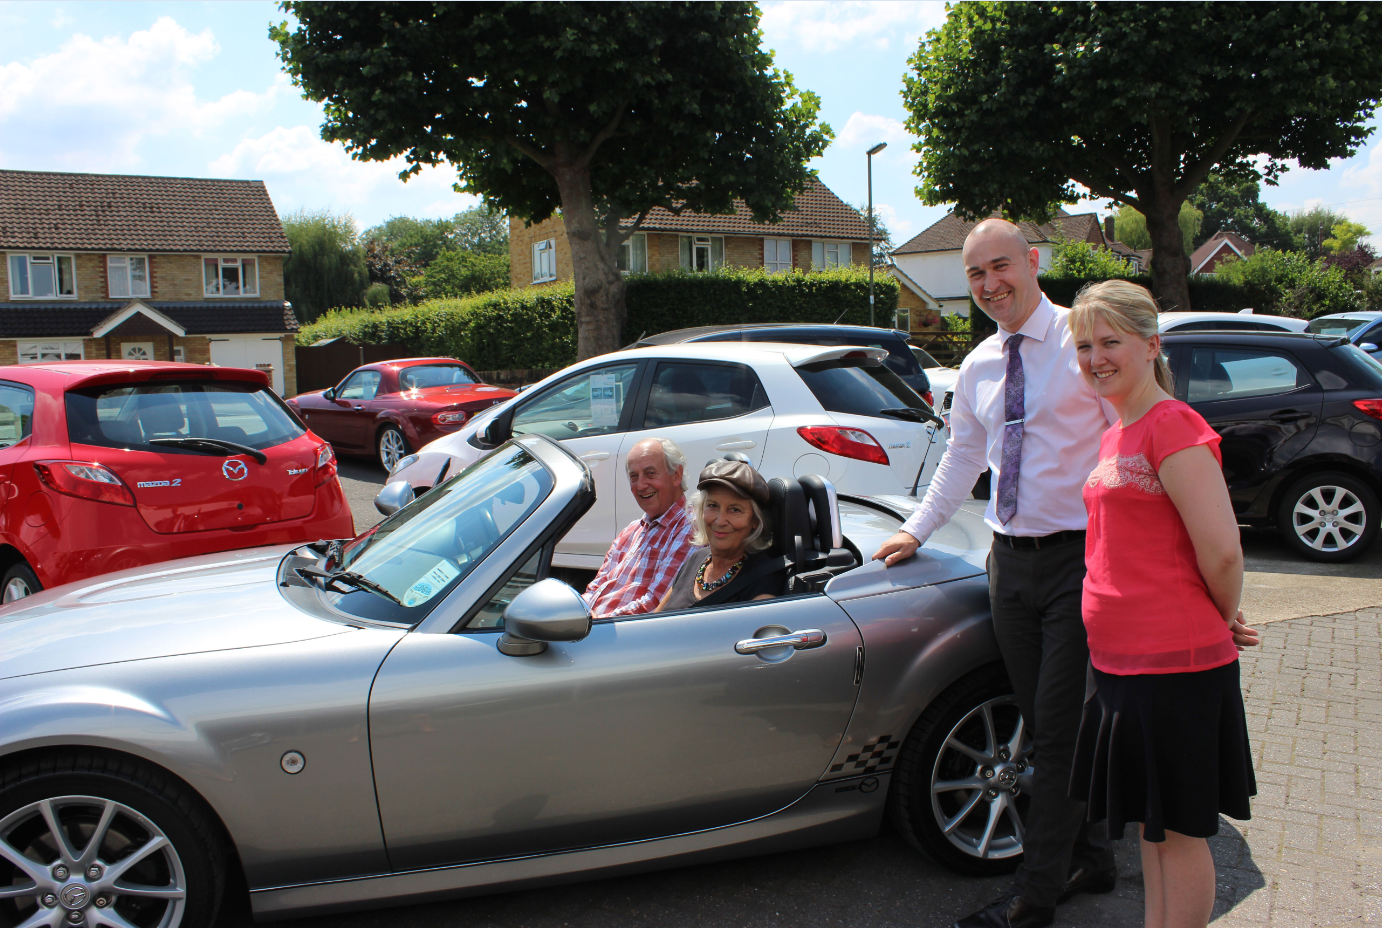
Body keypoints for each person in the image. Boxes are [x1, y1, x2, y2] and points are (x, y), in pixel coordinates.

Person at [871, 218, 1118, 928]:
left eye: (1000, 266)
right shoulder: (979, 364)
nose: (989, 285)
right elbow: (962, 459)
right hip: (1008, 564)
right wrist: (914, 530)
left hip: (1080, 558)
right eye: (975, 274)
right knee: (1046, 724)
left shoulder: (1086, 342)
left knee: (1061, 730)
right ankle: (1093, 855)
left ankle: (1035, 895)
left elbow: (1131, 441)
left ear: (1034, 261)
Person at [1066, 280, 1259, 928]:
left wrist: (1221, 616)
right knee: (1152, 827)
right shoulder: (1118, 430)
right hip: (1122, 664)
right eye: (1086, 345)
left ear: (1152, 346)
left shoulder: (1173, 425)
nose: (1096, 357)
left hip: (1173, 666)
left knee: (1178, 831)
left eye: (1110, 342)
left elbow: (1222, 550)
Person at [583, 437, 696, 617]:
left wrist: (596, 623)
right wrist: (578, 614)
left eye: (650, 473)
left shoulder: (689, 528)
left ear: (676, 475)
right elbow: (596, 588)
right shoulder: (631, 530)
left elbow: (655, 605)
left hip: (624, 635)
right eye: (634, 476)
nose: (641, 485)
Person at [656, 460, 786, 611]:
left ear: (755, 520)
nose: (720, 520)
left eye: (735, 510)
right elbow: (655, 620)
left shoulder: (764, 578)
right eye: (713, 506)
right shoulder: (696, 559)